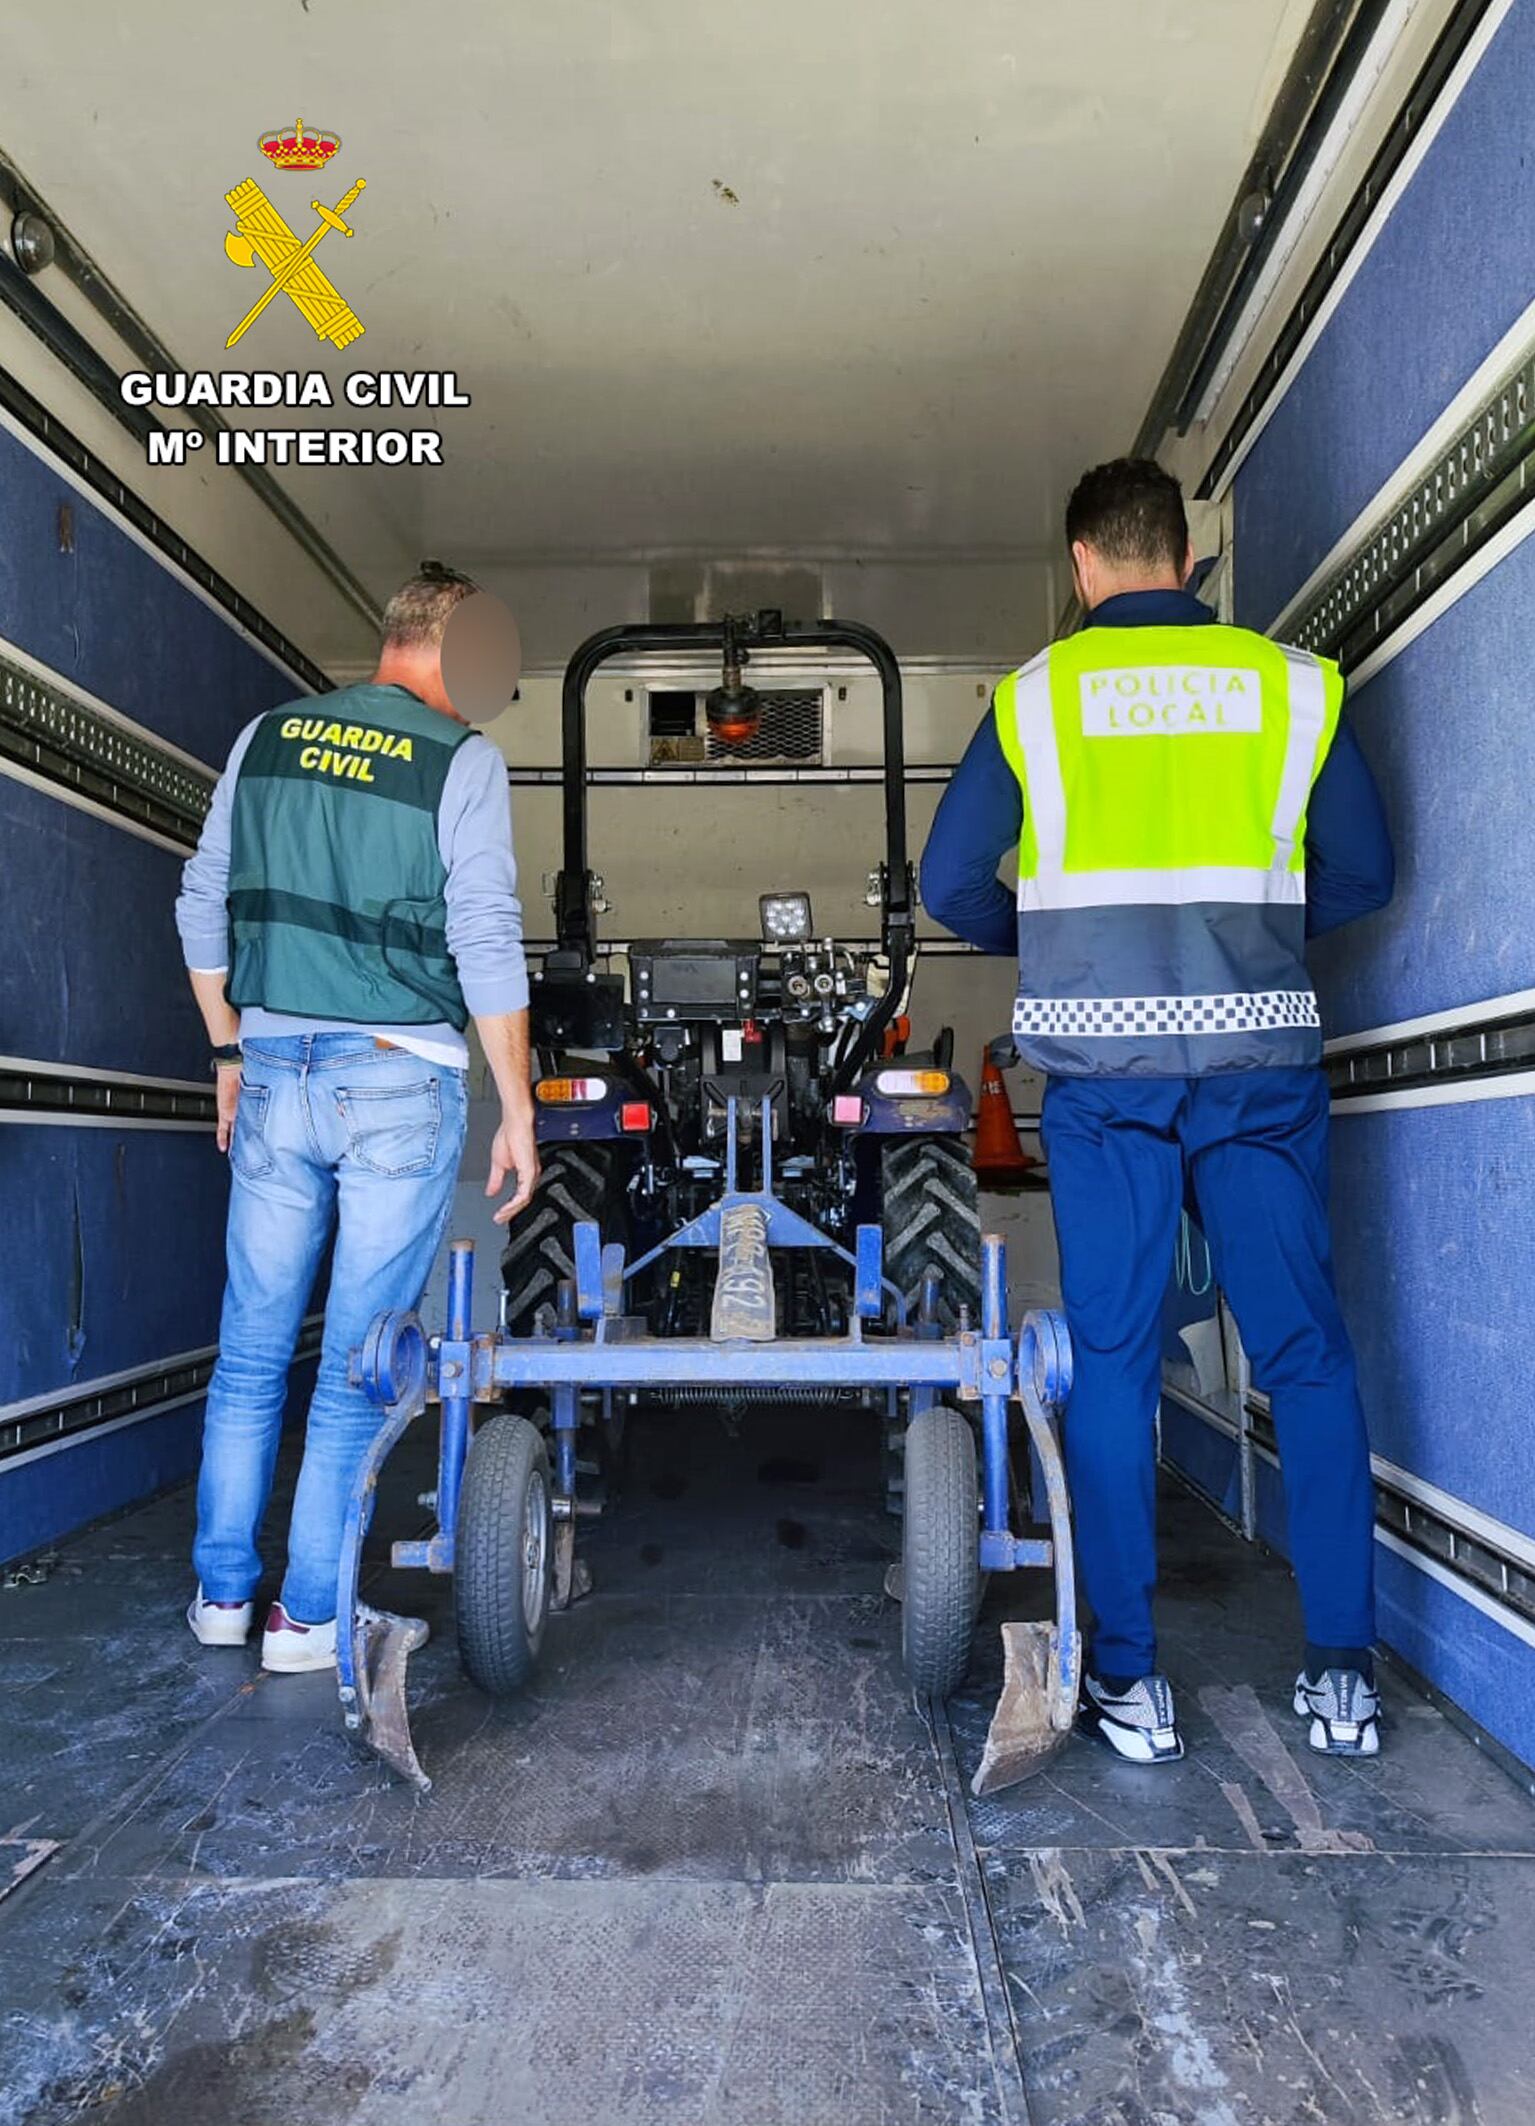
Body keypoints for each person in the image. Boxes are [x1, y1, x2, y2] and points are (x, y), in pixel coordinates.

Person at [922, 459, 1394, 1764]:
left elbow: (947, 876)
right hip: (1256, 1070)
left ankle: (1126, 1683)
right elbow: (1361, 866)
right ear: (1183, 560)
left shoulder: (1034, 697)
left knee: (1115, 1365)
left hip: (1105, 1087)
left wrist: (1055, 935)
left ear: (1080, 567)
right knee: (1302, 1351)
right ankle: (1342, 1675)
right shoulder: (1292, 686)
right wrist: (1254, 931)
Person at [174, 562, 538, 1673]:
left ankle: (223, 1596)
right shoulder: (463, 761)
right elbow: (481, 936)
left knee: (249, 1351)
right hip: (399, 1074)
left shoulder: (266, 735)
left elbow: (201, 899)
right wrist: (517, 1108)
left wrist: (227, 1045)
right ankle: (307, 1619)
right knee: (353, 1364)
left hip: (276, 1066)